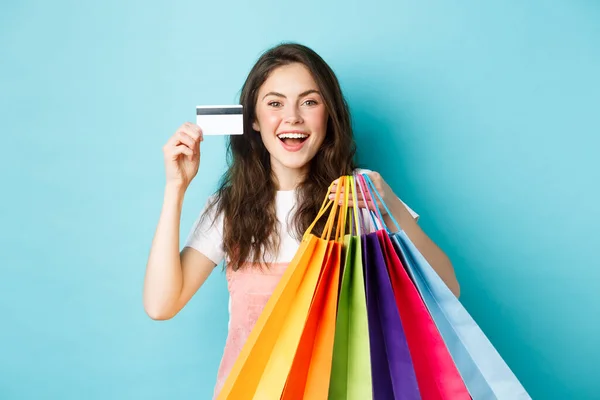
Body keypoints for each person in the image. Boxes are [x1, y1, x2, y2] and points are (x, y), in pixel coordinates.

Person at [143, 42, 460, 398]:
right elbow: (160, 304)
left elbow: (448, 288)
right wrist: (176, 188)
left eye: (309, 102)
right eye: (275, 103)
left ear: (329, 115)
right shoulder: (229, 208)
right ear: (253, 120)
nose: (292, 117)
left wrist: (389, 206)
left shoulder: (360, 196)